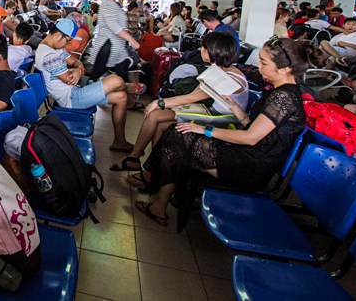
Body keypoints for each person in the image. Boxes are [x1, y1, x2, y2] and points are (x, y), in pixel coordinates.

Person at [131, 37, 308, 227]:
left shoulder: (284, 97)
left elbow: (251, 138)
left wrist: (205, 129)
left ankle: (155, 192)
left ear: (285, 69)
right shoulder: (280, 92)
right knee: (179, 134)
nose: (258, 66)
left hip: (252, 165)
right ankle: (158, 197)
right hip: (251, 155)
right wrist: (235, 108)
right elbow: (252, 125)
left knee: (180, 138)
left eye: (264, 62)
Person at [112, 32, 248, 172]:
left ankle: (146, 167)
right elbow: (194, 94)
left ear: (213, 51)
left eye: (204, 47)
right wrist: (165, 104)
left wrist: (159, 103)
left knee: (155, 115)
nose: (200, 50)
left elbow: (193, 97)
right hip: (210, 112)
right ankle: (149, 167)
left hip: (222, 119)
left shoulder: (229, 77)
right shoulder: (220, 69)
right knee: (158, 120)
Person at [36, 19, 142, 152]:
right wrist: (78, 71)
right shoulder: (49, 55)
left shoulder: (55, 47)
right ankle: (128, 87)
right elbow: (69, 79)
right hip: (71, 99)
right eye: (68, 40)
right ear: (58, 35)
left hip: (75, 92)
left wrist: (77, 70)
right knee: (116, 80)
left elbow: (76, 62)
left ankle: (119, 141)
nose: (68, 44)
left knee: (121, 97)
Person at [88, 0, 142, 78]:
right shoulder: (108, 4)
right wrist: (132, 40)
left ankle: (127, 90)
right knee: (96, 75)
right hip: (108, 46)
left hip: (115, 47)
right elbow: (113, 25)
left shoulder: (111, 3)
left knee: (120, 75)